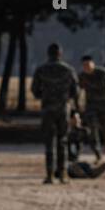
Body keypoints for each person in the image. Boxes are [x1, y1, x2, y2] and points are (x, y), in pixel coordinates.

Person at [30, 42, 78, 184]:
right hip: (63, 109)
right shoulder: (68, 70)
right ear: (60, 54)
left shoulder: (41, 70)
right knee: (62, 141)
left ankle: (49, 175)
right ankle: (62, 174)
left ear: (48, 54)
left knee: (49, 142)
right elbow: (75, 91)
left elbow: (34, 89)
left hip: (47, 109)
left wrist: (44, 97)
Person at [78, 55, 105, 157]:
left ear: (93, 64)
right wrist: (78, 104)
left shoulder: (103, 73)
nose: (87, 67)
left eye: (88, 65)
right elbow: (77, 90)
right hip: (91, 106)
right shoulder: (82, 76)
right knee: (92, 129)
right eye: (84, 65)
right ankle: (97, 152)